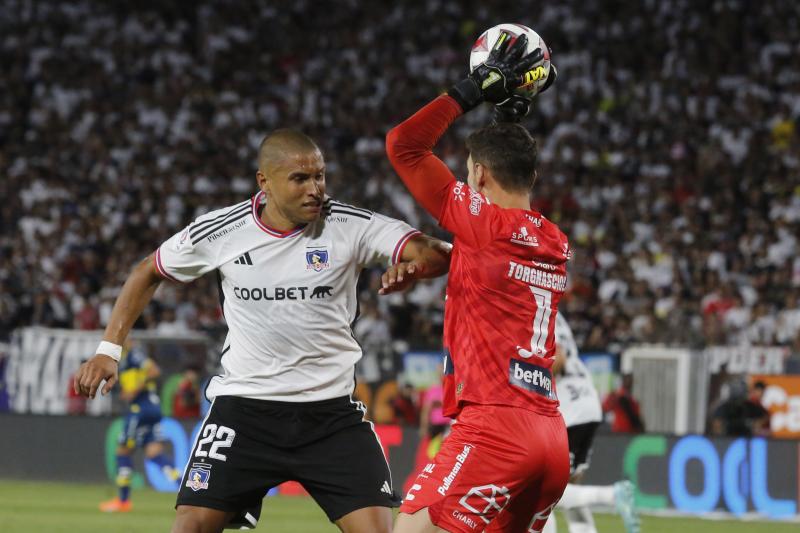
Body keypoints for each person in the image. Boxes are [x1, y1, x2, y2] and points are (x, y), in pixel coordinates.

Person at [74, 129, 451, 533]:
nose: (316, 189)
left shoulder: (349, 225)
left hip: (331, 415)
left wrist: (416, 268)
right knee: (191, 527)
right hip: (245, 410)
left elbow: (437, 251)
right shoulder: (222, 231)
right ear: (264, 182)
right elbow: (148, 271)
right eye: (300, 179)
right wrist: (108, 351)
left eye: (320, 176)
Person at [385, 33, 571, 532]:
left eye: (468, 175)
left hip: (494, 427)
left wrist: (472, 90)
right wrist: (509, 117)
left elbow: (403, 146)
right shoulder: (554, 240)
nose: (463, 183)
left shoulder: (481, 223)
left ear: (481, 177)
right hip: (551, 436)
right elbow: (488, 254)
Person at [541, 313, 640, 533]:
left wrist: (535, 377)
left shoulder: (539, 311)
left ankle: (611, 495)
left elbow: (558, 356)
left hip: (568, 407)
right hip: (586, 401)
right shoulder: (554, 311)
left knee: (542, 489)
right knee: (570, 485)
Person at [100, 343, 180, 512]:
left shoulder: (134, 355)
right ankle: (186, 489)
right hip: (152, 409)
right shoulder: (124, 360)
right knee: (155, 454)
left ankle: (123, 501)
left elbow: (154, 371)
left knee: (123, 451)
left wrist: (134, 391)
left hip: (140, 411)